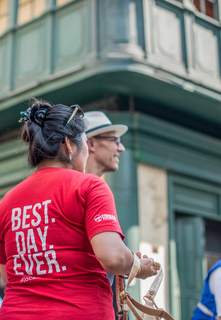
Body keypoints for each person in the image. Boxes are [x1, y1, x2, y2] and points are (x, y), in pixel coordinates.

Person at [0, 99, 158, 319]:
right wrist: (139, 266)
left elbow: (9, 277)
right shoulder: (90, 186)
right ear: (69, 144)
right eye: (83, 143)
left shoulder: (4, 204)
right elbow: (113, 258)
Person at [84, 111, 128, 317]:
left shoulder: (96, 187)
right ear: (91, 144)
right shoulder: (91, 188)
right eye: (115, 140)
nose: (121, 147)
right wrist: (136, 265)